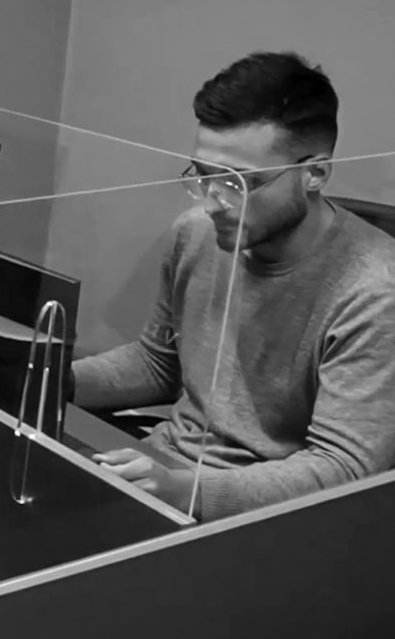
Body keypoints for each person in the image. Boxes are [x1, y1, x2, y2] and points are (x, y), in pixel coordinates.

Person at [74, 51, 395, 520]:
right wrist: (49, 377)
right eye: (204, 175)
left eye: (240, 183)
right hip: (165, 471)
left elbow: (342, 469)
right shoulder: (196, 234)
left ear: (315, 173)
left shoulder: (373, 292)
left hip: (265, 521)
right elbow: (158, 365)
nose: (215, 202)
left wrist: (186, 491)